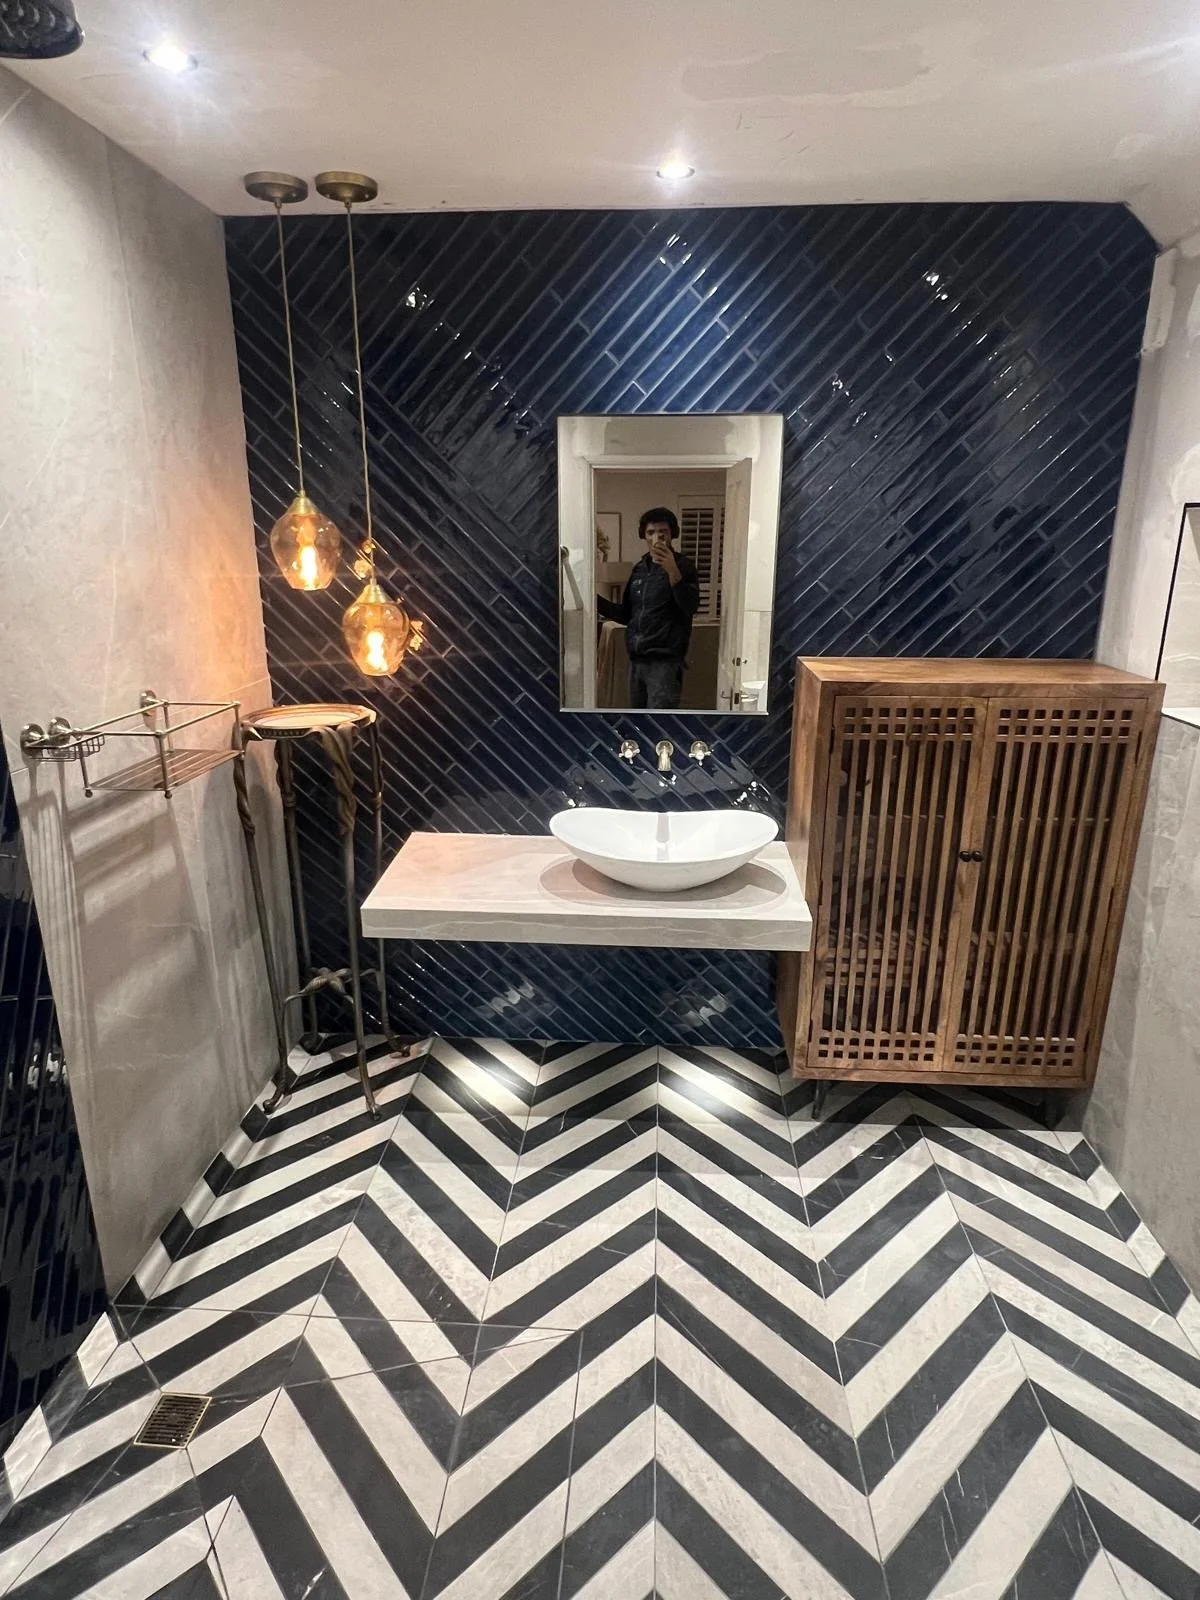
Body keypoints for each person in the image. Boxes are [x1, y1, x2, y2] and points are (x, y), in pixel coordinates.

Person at [597, 507, 700, 709]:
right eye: (650, 532)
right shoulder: (639, 569)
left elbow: (690, 606)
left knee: (661, 725)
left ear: (673, 534)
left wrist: (671, 569)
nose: (657, 536)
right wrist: (594, 601)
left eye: (663, 532)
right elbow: (626, 614)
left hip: (665, 663)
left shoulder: (684, 565)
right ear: (644, 536)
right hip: (636, 661)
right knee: (639, 723)